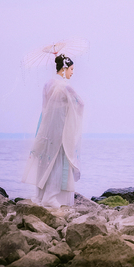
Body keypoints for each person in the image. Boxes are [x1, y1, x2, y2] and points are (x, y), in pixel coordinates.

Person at [22, 54, 84, 208]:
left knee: (45, 160)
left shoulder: (47, 84)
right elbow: (80, 104)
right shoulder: (66, 87)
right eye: (71, 69)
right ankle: (50, 197)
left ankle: (40, 196)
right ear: (64, 68)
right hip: (59, 128)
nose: (72, 72)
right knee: (57, 160)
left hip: (46, 126)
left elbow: (45, 107)